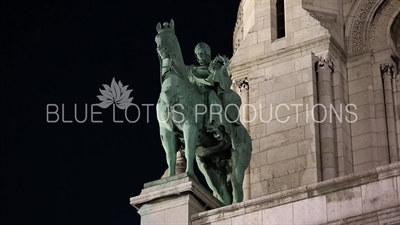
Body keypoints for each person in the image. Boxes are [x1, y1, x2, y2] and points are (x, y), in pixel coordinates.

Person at [187, 42, 241, 139]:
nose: (200, 56)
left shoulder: (216, 67)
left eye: (202, 53)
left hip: (209, 92)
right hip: (195, 92)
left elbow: (225, 83)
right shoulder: (192, 70)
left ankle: (216, 124)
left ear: (208, 54)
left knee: (211, 95)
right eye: (198, 54)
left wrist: (216, 74)